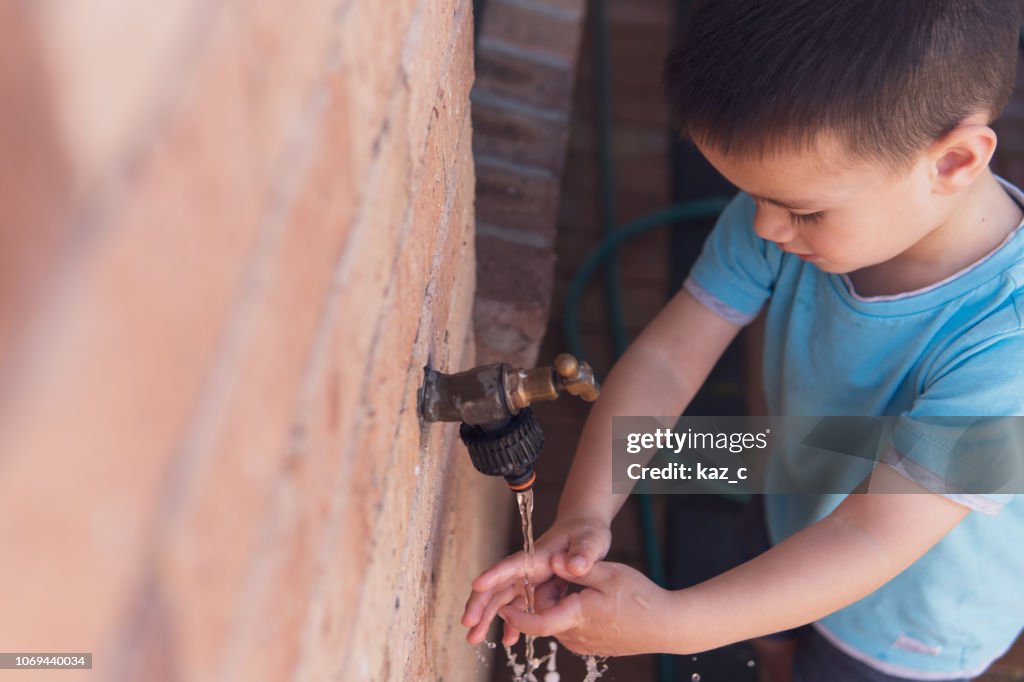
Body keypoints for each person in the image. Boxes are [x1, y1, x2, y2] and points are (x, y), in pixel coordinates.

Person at [462, 1, 1024, 680]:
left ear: (953, 161)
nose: (763, 227)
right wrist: (582, 516)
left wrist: (674, 622)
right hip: (790, 489)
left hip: (909, 618)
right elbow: (668, 359)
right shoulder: (790, 202)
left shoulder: (1008, 347)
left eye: (802, 211)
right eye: (750, 195)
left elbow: (867, 536)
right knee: (772, 628)